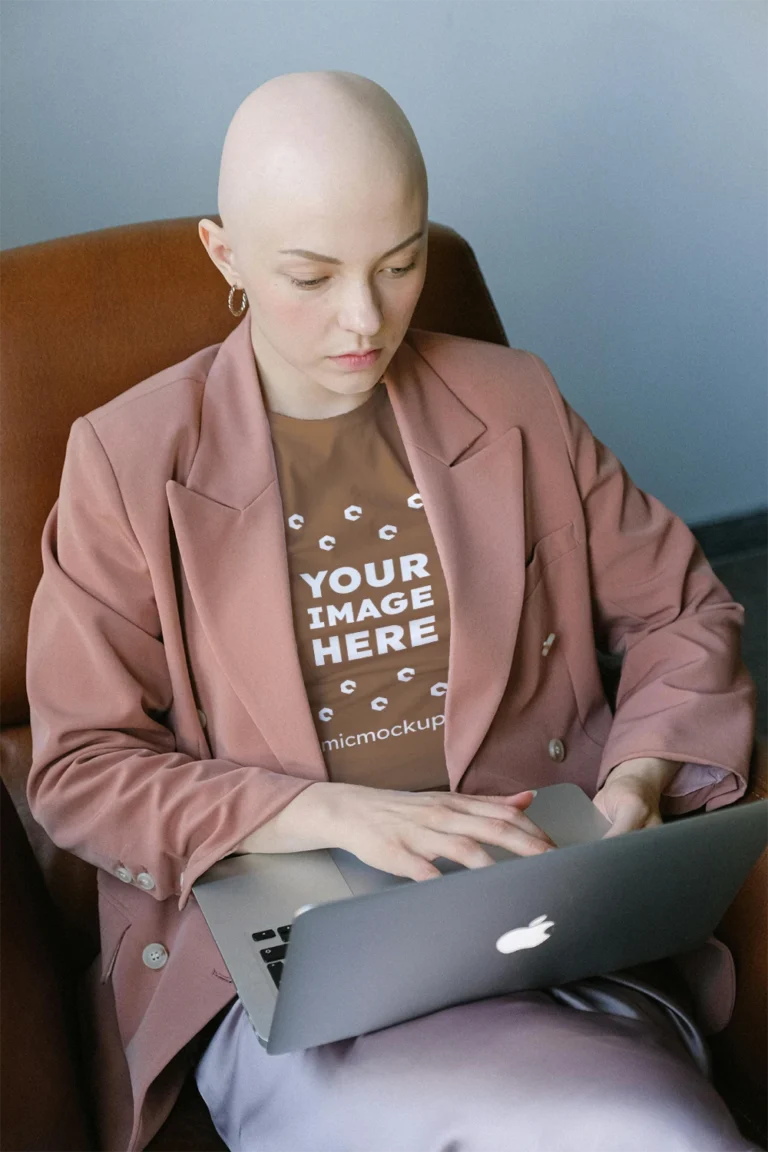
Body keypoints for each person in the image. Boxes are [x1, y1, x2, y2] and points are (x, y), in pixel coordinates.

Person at [25, 70, 758, 1152]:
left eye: (401, 262)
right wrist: (334, 814)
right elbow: (79, 767)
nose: (364, 320)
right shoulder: (129, 461)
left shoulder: (515, 402)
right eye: (311, 277)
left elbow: (684, 614)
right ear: (224, 256)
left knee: (646, 1129)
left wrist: (637, 782)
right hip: (295, 961)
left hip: (541, 919)